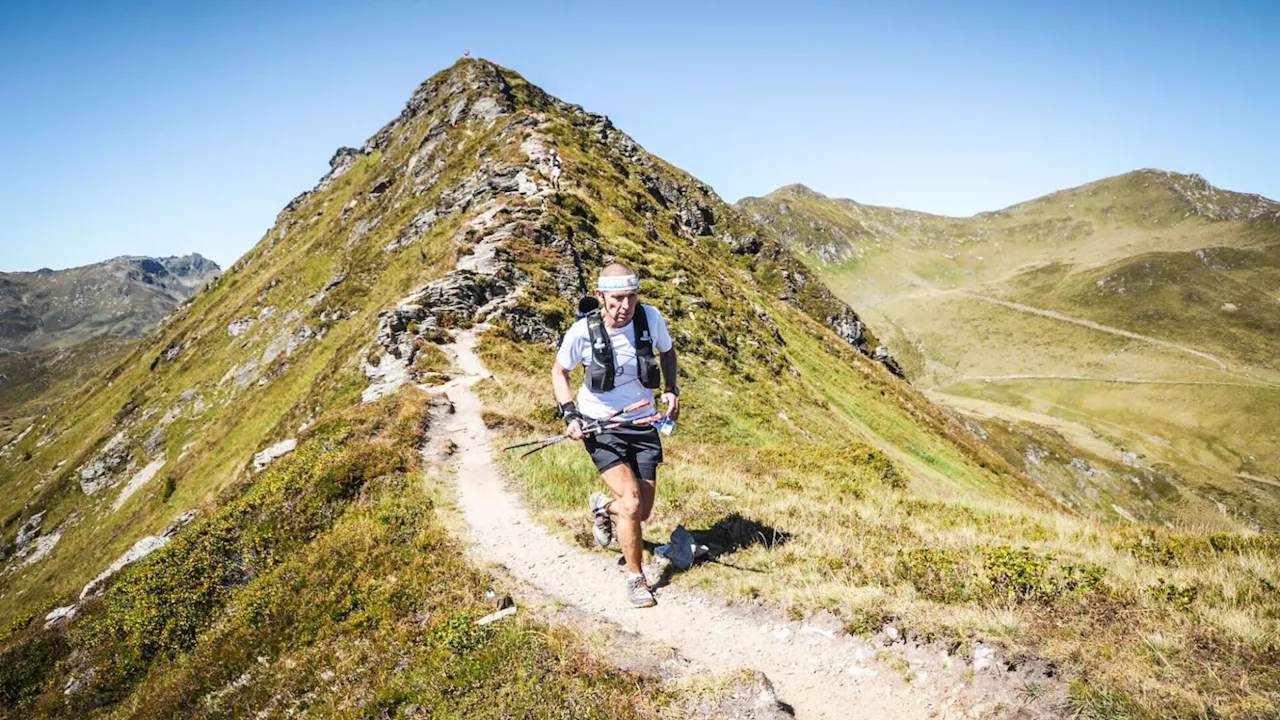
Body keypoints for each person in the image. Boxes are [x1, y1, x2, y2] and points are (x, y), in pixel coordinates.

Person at [551, 263, 681, 608]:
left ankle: (602, 507)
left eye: (632, 297)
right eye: (617, 299)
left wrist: (671, 389)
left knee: (642, 511)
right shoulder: (582, 331)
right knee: (633, 502)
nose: (625, 306)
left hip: (642, 423)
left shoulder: (650, 318)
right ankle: (636, 579)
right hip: (601, 426)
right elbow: (560, 371)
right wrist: (570, 414)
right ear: (600, 297)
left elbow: (667, 352)